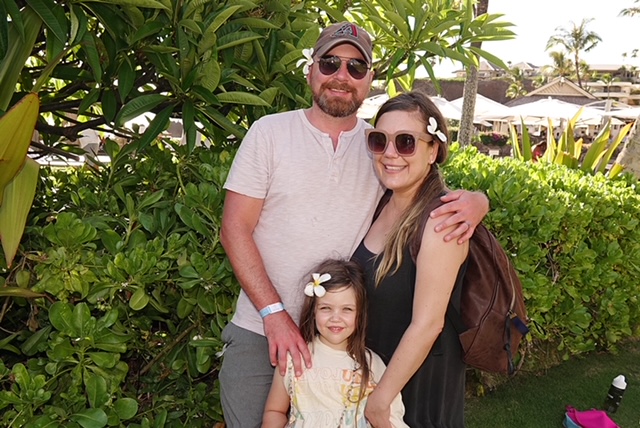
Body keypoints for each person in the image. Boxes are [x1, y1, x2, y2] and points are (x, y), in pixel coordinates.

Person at [219, 21, 489, 428]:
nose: (341, 75)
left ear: (369, 79)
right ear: (311, 70)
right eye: (330, 63)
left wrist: (478, 201)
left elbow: (423, 187)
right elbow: (234, 228)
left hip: (344, 345)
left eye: (356, 67)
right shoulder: (269, 133)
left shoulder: (376, 145)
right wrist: (275, 314)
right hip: (263, 331)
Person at [352, 91, 469, 428]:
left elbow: (428, 324)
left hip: (412, 389)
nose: (390, 153)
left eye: (406, 142)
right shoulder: (380, 203)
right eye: (380, 140)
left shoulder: (441, 221)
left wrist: (380, 401)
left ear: (433, 151)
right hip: (373, 375)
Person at [262, 259, 408, 427]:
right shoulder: (294, 357)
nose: (335, 318)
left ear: (360, 314)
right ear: (313, 311)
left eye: (347, 309)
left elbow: (392, 418)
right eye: (326, 308)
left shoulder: (373, 364)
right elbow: (275, 411)